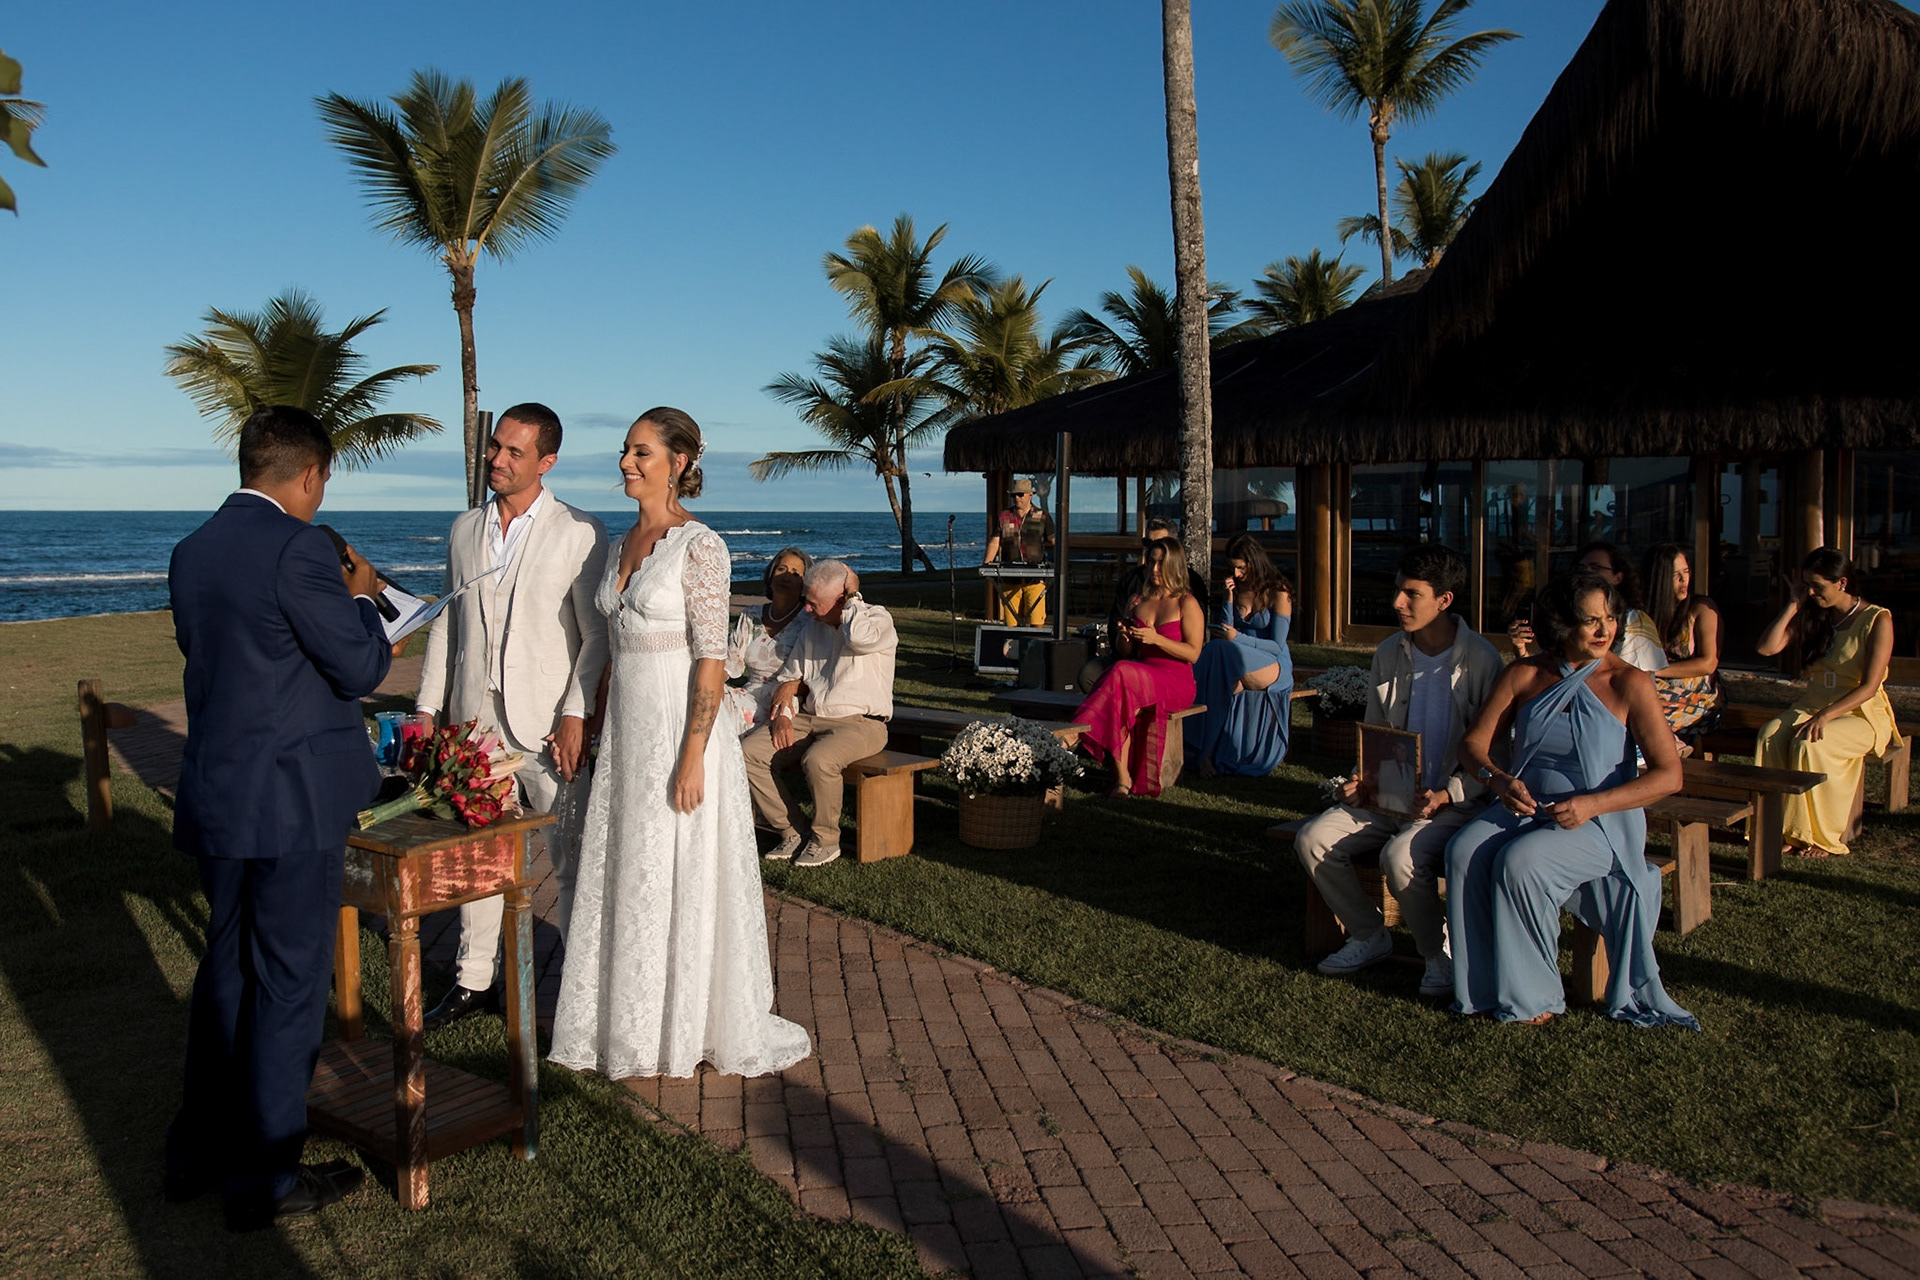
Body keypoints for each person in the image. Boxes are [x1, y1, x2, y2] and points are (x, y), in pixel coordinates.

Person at [164, 406, 391, 1228]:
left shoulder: (192, 552)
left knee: (225, 973)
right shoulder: (301, 549)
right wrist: (362, 598)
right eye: (322, 479)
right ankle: (263, 1178)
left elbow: (234, 662)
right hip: (292, 801)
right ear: (307, 476)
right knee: (290, 985)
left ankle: (195, 1151)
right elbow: (359, 664)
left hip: (220, 790)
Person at [549, 407, 811, 1079]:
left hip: (679, 732)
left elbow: (708, 660)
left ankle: (686, 1019)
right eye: (625, 451)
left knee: (679, 866)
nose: (626, 463)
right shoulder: (619, 547)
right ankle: (626, 1016)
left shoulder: (701, 548)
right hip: (630, 733)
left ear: (680, 463)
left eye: (641, 452)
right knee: (630, 866)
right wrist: (581, 712)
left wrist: (694, 755)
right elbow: (603, 645)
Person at [415, 403, 610, 1031]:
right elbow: (448, 618)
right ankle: (475, 978)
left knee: (570, 854)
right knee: (479, 853)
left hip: (550, 723)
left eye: (513, 452)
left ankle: (583, 988)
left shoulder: (580, 531)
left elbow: (594, 638)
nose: (496, 460)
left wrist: (577, 712)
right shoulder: (463, 528)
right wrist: (426, 706)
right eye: (495, 448)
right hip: (475, 721)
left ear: (546, 462)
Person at [1448, 572, 1695, 1028]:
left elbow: (1669, 777)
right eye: (1591, 621)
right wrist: (1499, 780)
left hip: (1602, 822)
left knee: (1522, 863)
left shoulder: (1630, 684)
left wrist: (1593, 805)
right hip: (1526, 804)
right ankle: (1479, 989)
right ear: (1562, 625)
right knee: (1462, 852)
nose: (1606, 631)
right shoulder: (1525, 674)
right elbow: (1473, 746)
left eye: (1611, 618)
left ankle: (1534, 997)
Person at [1294, 544, 1502, 996]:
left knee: (1399, 857)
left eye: (1411, 594)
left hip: (1453, 804)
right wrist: (1360, 778)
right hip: (1388, 796)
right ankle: (1370, 935)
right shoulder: (1389, 653)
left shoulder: (1483, 661)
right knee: (1312, 838)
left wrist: (1449, 794)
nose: (1397, 604)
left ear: (1444, 600)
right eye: (1397, 591)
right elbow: (1375, 730)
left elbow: (1494, 753)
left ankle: (1436, 956)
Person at [743, 559, 899, 867]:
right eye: (806, 602)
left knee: (818, 760)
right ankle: (792, 830)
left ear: (841, 599)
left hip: (862, 724)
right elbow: (790, 676)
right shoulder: (813, 628)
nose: (807, 611)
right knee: (749, 753)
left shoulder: (876, 619)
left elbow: (858, 639)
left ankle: (825, 840)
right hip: (809, 718)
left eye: (814, 604)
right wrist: (785, 716)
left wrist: (853, 596)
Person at [1754, 549, 1898, 857]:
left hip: (1860, 712)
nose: (1811, 592)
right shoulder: (1814, 613)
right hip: (1813, 704)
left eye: (1817, 586)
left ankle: (1819, 836)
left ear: (1842, 583)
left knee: (1812, 744)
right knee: (1769, 736)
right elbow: (1766, 648)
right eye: (1806, 585)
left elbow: (1870, 686)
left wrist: (1825, 716)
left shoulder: (1877, 619)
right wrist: (1793, 603)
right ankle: (1776, 827)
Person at [1074, 536, 1202, 798]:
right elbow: (1127, 652)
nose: (1154, 570)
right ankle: (1122, 779)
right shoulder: (1138, 600)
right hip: (1140, 675)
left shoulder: (1185, 603)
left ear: (1174, 566)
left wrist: (1157, 639)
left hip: (1175, 680)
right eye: (1151, 563)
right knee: (1121, 688)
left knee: (1120, 672)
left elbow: (1194, 653)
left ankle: (1076, 732)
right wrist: (1124, 637)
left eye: (1161, 564)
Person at [1185, 534, 1294, 777]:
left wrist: (1239, 639)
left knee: (1218, 650)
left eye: (1241, 567)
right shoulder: (1236, 587)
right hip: (1236, 657)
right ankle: (1204, 752)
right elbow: (1226, 630)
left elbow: (1276, 645)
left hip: (1273, 663)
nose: (1236, 573)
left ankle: (1200, 750)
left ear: (1255, 562)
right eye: (1232, 567)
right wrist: (1228, 599)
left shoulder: (1279, 591)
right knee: (1218, 660)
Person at [1509, 541, 1664, 673]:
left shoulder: (1635, 620)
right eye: (1581, 567)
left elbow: (1639, 678)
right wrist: (1521, 649)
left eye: (1596, 567)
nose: (1586, 572)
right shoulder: (1567, 617)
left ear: (1618, 577)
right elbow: (1544, 677)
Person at [1640, 543, 1724, 740]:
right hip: (1655, 688)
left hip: (1700, 697)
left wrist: (1656, 671)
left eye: (1686, 572)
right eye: (1675, 574)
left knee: (1647, 716)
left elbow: (1708, 663)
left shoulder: (1702, 608)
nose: (1683, 579)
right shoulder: (1642, 612)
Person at [724, 546, 812, 735]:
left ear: (804, 584)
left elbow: (817, 675)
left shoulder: (811, 620)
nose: (787, 576)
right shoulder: (751, 615)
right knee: (707, 699)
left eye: (796, 573)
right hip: (750, 695)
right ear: (771, 577)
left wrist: (791, 687)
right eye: (781, 569)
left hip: (788, 700)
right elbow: (730, 664)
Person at [983, 477, 1054, 626]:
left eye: (1020, 494)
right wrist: (987, 564)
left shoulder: (1043, 516)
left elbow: (1053, 540)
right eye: (1014, 495)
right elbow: (995, 540)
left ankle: (1033, 648)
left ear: (1030, 495)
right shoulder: (1004, 516)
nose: (1017, 498)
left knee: (1036, 621)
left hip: (1035, 579)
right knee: (1011, 623)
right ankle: (1011, 648)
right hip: (1009, 579)